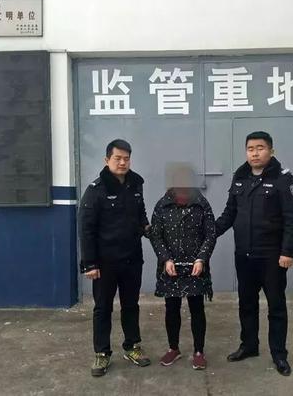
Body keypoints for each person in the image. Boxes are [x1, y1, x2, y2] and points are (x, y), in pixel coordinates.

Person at [215, 131, 293, 376]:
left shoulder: (283, 179)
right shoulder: (240, 176)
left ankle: (279, 355)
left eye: (260, 148)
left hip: (272, 257)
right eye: (250, 149)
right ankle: (249, 345)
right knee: (247, 304)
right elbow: (230, 213)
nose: (255, 153)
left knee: (276, 306)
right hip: (244, 255)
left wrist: (288, 251)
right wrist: (209, 233)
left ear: (271, 151)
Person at [79, 139, 151, 377]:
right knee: (103, 308)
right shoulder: (96, 190)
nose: (122, 163)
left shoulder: (136, 183)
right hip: (105, 262)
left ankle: (132, 346)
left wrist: (149, 229)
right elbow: (86, 229)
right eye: (117, 158)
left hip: (132, 259)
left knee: (131, 305)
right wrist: (89, 264)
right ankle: (102, 353)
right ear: (107, 160)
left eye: (126, 158)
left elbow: (141, 214)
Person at [148, 163, 216, 370]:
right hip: (171, 268)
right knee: (172, 309)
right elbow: (156, 235)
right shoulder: (162, 205)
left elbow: (210, 234)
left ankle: (199, 352)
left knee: (197, 309)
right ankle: (173, 348)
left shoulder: (202, 204)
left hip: (196, 268)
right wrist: (165, 259)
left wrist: (201, 259)